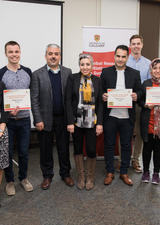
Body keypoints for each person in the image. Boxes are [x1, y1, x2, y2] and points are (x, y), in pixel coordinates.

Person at [31, 44, 74, 190]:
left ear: (60, 56)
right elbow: (34, 99)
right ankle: (47, 176)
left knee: (64, 148)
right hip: (45, 119)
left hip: (63, 118)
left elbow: (70, 98)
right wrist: (37, 119)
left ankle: (65, 174)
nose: (53, 56)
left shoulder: (68, 72)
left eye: (56, 53)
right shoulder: (37, 74)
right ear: (45, 56)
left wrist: (71, 119)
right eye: (50, 53)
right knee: (45, 149)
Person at [101, 45, 141, 186]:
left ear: (127, 57)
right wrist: (103, 95)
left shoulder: (135, 73)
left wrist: (137, 95)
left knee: (126, 146)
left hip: (127, 118)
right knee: (109, 145)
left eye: (123, 56)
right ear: (114, 56)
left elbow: (140, 92)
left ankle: (124, 172)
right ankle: (110, 172)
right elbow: (100, 91)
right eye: (118, 56)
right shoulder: (105, 72)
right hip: (110, 116)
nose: (120, 59)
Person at [0, 41, 33, 196]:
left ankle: (23, 178)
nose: (14, 54)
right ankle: (10, 181)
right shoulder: (1, 74)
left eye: (16, 51)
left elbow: (31, 95)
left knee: (24, 152)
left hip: (25, 120)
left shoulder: (27, 71)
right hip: (8, 122)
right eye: (11, 52)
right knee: (7, 153)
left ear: (20, 53)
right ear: (6, 54)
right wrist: (7, 114)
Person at [66, 53, 103, 190]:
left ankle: (90, 176)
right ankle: (81, 176)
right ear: (79, 65)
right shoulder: (73, 78)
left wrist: (100, 123)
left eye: (88, 64)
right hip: (77, 121)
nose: (85, 67)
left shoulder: (98, 80)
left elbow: (100, 103)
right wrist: (70, 121)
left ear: (92, 66)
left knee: (92, 149)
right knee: (77, 148)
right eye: (82, 64)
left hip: (92, 122)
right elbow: (68, 101)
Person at [126, 34, 151, 173]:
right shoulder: (124, 61)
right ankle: (123, 159)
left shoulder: (148, 63)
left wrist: (141, 97)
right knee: (125, 131)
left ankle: (135, 160)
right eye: (133, 44)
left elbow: (148, 85)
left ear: (142, 45)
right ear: (130, 46)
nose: (136, 46)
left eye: (138, 43)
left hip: (141, 103)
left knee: (140, 132)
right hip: (124, 102)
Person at [140, 58, 160, 184]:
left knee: (158, 150)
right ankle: (146, 172)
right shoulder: (146, 83)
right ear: (151, 70)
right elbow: (140, 101)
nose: (157, 71)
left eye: (159, 68)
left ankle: (156, 173)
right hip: (148, 121)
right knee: (147, 149)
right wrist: (146, 105)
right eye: (155, 68)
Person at [0, 81, 9, 204]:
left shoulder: (0, 83)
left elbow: (4, 106)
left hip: (0, 129)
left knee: (0, 165)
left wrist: (1, 128)